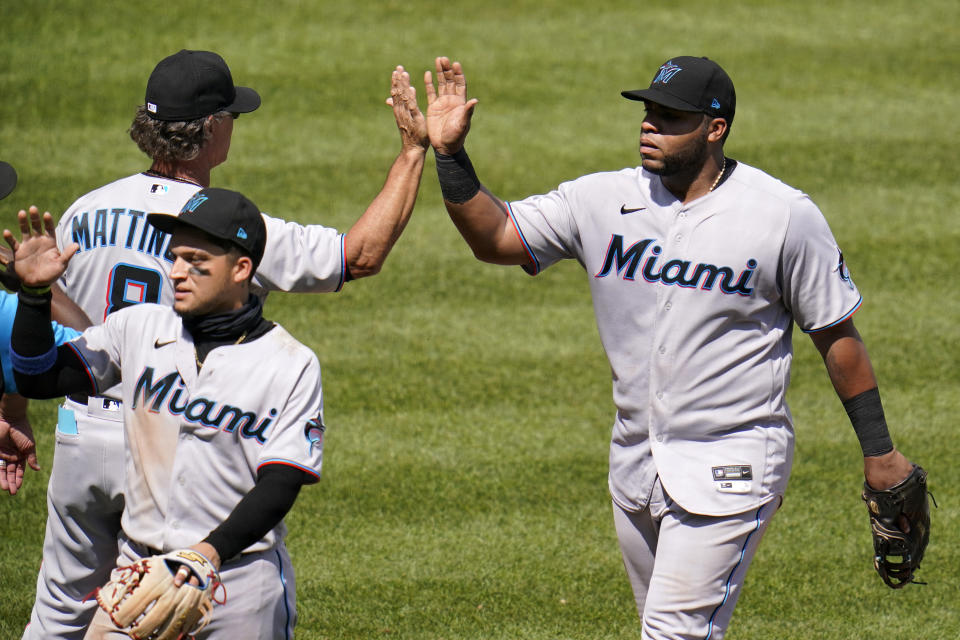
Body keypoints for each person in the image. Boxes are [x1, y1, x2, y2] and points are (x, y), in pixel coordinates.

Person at [422, 55, 923, 639]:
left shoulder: (783, 216)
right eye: (647, 112)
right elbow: (497, 236)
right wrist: (451, 156)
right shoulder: (601, 200)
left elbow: (836, 335)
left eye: (669, 116)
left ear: (715, 128)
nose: (649, 125)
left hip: (732, 462)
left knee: (672, 633)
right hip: (636, 464)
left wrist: (880, 452)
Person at [20, 49, 427, 639]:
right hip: (170, 438)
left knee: (59, 614)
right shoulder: (230, 231)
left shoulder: (83, 212)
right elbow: (358, 255)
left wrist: (12, 405)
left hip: (84, 431)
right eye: (232, 116)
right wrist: (413, 154)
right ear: (212, 128)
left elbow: (45, 319)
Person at [8, 188, 327, 639]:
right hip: (136, 575)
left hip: (234, 584)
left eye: (196, 260)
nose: (176, 272)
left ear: (241, 269)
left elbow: (281, 481)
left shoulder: (289, 362)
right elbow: (38, 378)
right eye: (174, 257)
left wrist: (206, 555)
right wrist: (36, 296)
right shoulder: (138, 328)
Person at [0, 163, 89, 495]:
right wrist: (35, 287)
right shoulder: (4, 311)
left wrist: (12, 411)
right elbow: (88, 344)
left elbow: (11, 352)